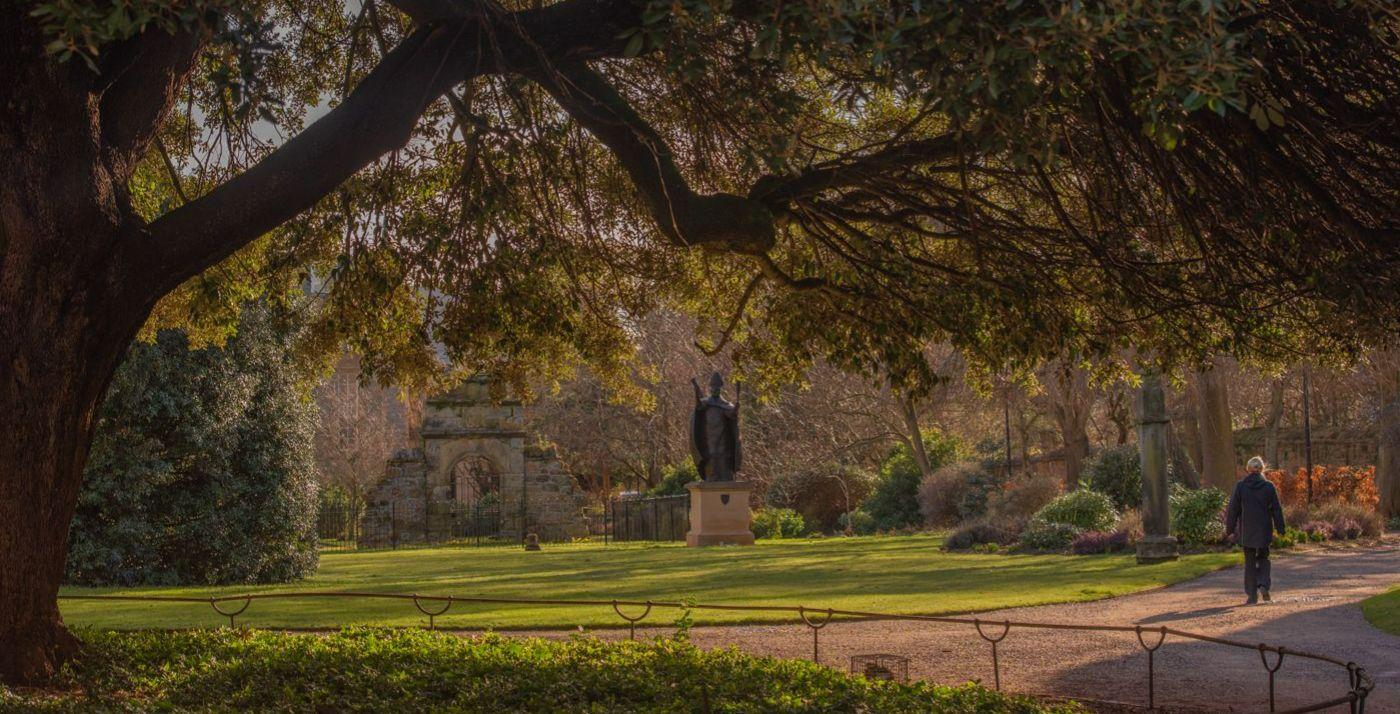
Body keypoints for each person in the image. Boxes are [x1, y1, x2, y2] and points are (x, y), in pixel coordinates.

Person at [1225, 456, 1286, 605]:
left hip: (1247, 529)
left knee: (1250, 562)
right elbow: (1276, 510)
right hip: (1264, 528)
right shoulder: (1269, 486)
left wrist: (1230, 529)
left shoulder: (1241, 486)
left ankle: (1252, 595)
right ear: (1262, 469)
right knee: (1264, 558)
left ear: (1248, 469)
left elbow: (1233, 509)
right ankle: (1264, 585)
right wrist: (1280, 528)